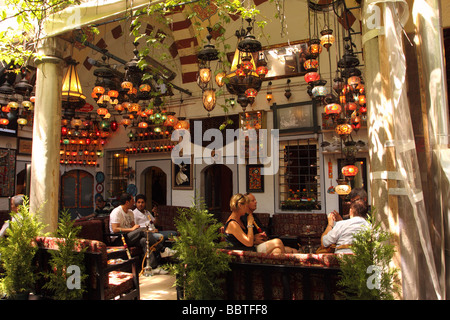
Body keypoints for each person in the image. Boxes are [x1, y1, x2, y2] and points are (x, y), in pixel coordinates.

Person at [109, 193, 174, 270]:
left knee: (144, 240)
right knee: (142, 230)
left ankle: (153, 267)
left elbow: (134, 226)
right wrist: (132, 229)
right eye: (133, 200)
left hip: (129, 237)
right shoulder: (116, 212)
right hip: (119, 239)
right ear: (127, 202)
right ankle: (162, 249)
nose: (134, 202)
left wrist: (135, 229)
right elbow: (115, 229)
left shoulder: (130, 212)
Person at [224, 193, 297, 254]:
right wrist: (250, 224)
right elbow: (249, 243)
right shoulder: (232, 224)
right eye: (245, 206)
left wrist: (256, 237)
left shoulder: (239, 219)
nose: (246, 208)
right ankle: (285, 266)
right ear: (240, 206)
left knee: (277, 251)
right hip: (246, 253)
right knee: (278, 242)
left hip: (250, 248)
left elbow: (248, 238)